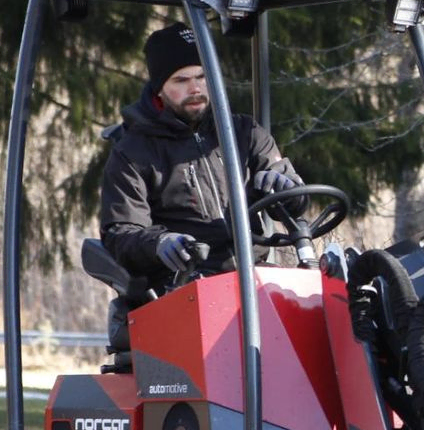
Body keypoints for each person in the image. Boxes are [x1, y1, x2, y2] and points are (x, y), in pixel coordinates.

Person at [100, 21, 305, 291]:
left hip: (256, 277)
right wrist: (160, 243)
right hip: (184, 285)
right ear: (159, 88)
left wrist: (285, 185)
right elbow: (121, 233)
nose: (195, 89)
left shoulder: (244, 132)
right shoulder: (133, 153)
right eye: (181, 81)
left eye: (202, 77)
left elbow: (295, 202)